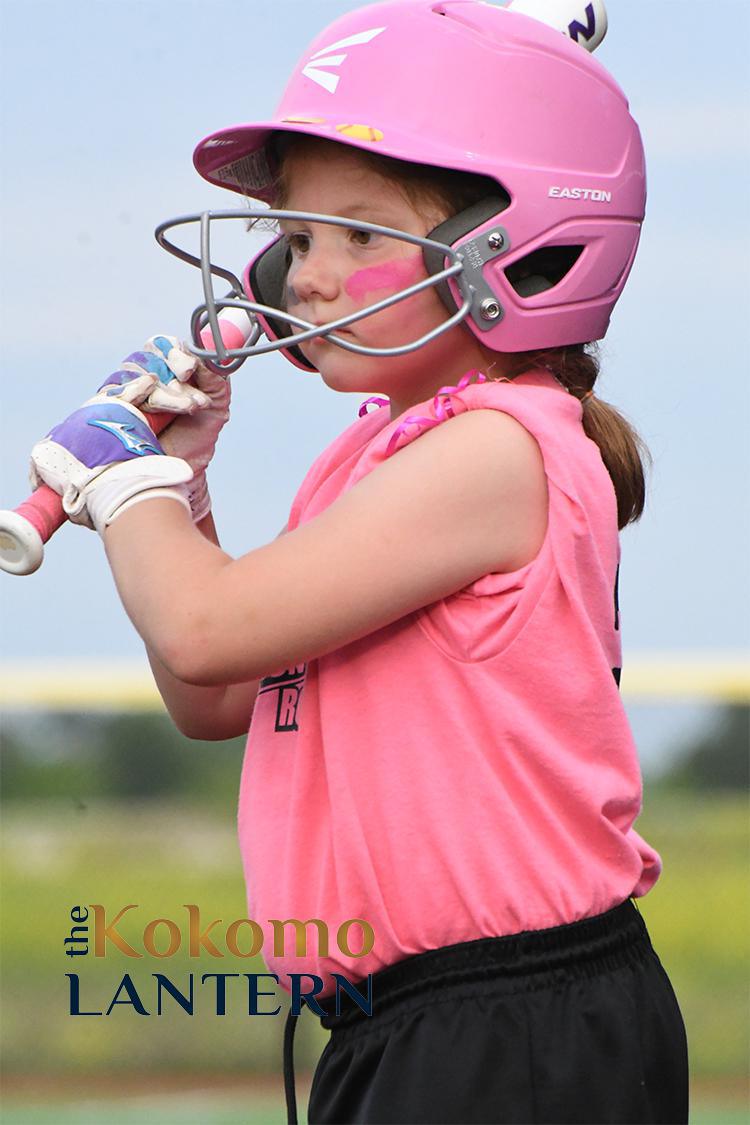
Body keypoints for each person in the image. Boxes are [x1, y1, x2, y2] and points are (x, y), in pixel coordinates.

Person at [29, 1, 689, 1122]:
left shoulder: (495, 449)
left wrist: (116, 473)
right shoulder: (375, 454)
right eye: (298, 238)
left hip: (512, 1022)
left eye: (362, 236)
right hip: (412, 1023)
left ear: (514, 249)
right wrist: (183, 490)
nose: (309, 278)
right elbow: (215, 690)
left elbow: (202, 627)